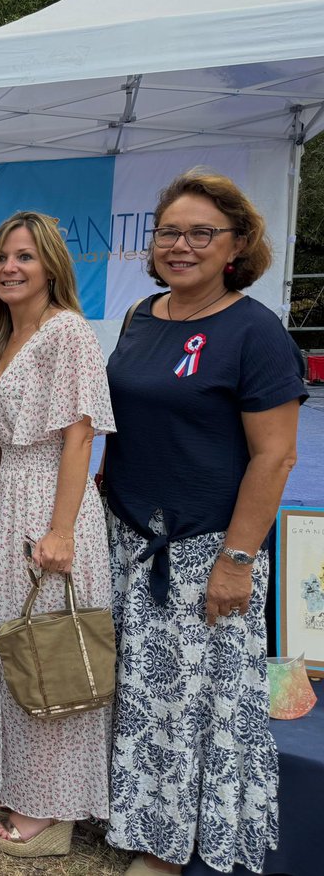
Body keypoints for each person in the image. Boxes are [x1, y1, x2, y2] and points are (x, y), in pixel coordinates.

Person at [103, 171, 303, 876]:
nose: (180, 246)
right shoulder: (140, 316)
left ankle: (170, 844)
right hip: (128, 538)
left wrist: (237, 560)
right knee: (138, 693)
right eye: (169, 232)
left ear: (236, 245)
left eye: (200, 233)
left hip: (204, 551)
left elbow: (275, 456)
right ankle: (129, 817)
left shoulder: (256, 332)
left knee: (187, 704)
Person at [0, 211, 115, 858]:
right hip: (9, 506)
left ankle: (50, 810)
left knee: (51, 652)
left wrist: (61, 531)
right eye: (2, 256)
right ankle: (14, 782)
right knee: (14, 650)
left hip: (53, 502)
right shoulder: (2, 336)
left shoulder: (68, 331)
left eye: (24, 256)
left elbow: (80, 434)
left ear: (51, 265)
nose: (10, 267)